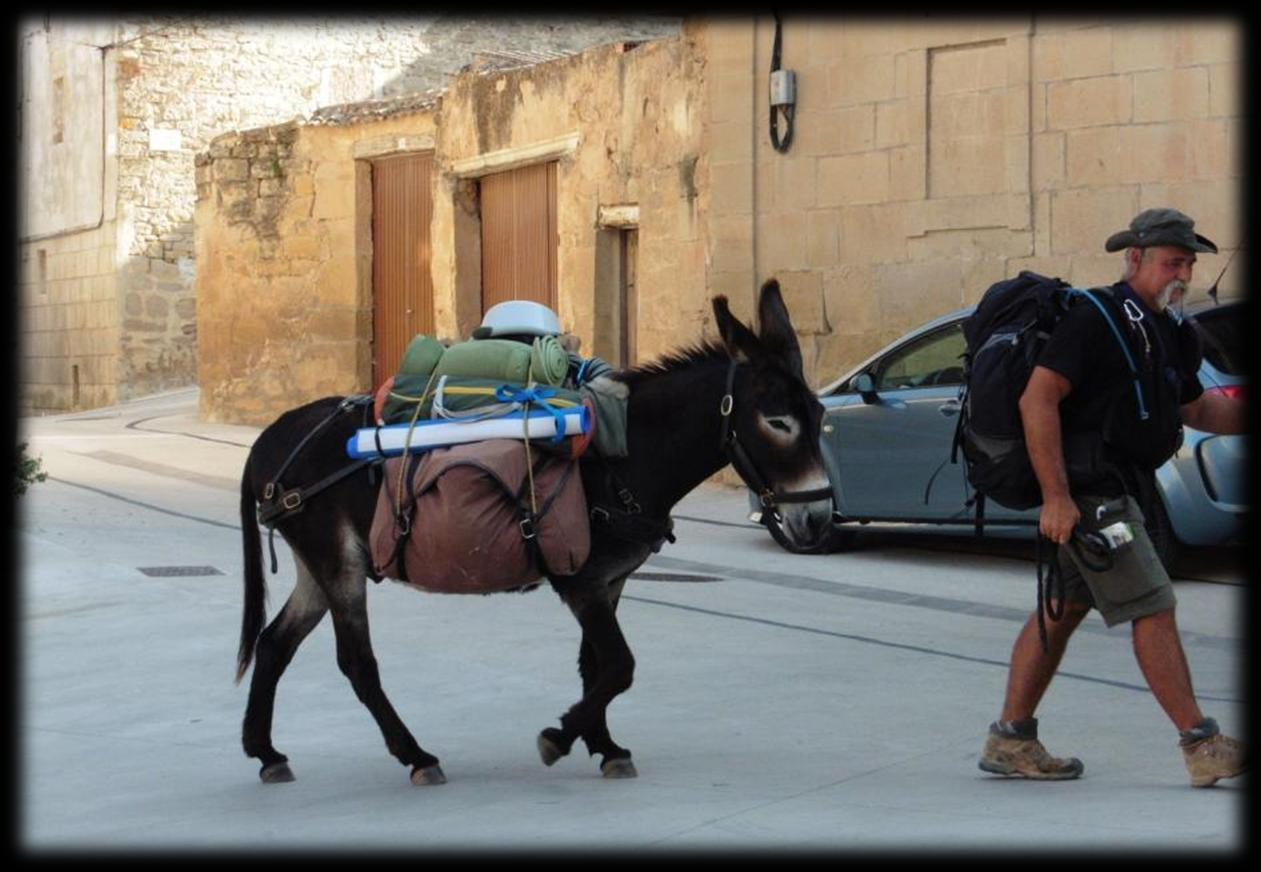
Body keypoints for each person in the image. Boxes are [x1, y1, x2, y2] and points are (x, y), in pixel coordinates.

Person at [978, 208, 1247, 787]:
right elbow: (1038, 400)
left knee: (1065, 608)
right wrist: (1056, 498)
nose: (1183, 273)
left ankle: (1010, 739)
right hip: (1090, 494)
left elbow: (1198, 409)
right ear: (1135, 259)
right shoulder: (1095, 316)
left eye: (1189, 263)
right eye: (1172, 261)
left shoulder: (1172, 331)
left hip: (1123, 485)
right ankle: (1201, 744)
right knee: (1152, 603)